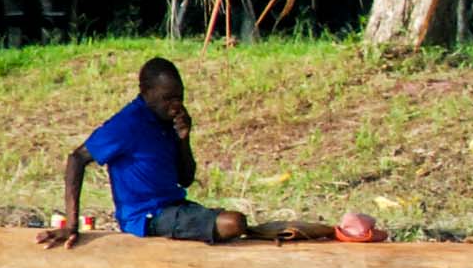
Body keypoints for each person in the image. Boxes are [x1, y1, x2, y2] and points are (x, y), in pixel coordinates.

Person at [38, 57, 328, 247]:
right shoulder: (127, 124)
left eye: (180, 98)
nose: (175, 106)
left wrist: (183, 140)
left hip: (175, 205)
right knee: (234, 222)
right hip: (146, 217)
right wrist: (72, 223)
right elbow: (76, 159)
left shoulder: (165, 123)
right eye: (167, 99)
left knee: (234, 223)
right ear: (145, 92)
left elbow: (186, 180)